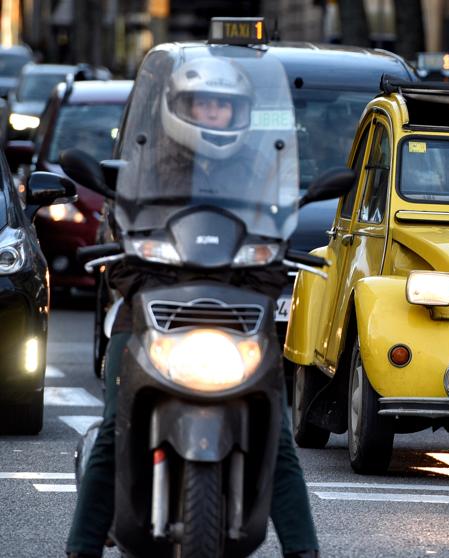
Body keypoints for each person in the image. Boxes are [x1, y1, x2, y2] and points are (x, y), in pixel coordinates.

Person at [65, 58, 320, 558]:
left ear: (240, 113)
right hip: (149, 311)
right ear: (177, 108)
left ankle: (304, 550)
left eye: (224, 106)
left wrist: (269, 264)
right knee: (117, 426)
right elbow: (116, 248)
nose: (213, 113)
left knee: (280, 431)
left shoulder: (260, 172)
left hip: (236, 314)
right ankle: (82, 546)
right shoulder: (143, 168)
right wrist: (141, 271)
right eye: (203, 103)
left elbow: (278, 248)